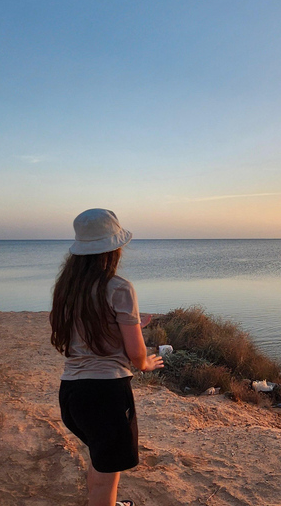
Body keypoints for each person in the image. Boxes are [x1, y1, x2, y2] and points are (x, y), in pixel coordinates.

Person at [51, 209, 163, 506]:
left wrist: (130, 326)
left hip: (71, 392)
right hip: (105, 393)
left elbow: (86, 330)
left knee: (100, 460)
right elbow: (136, 354)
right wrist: (147, 364)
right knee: (106, 472)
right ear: (113, 249)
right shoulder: (119, 287)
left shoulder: (67, 289)